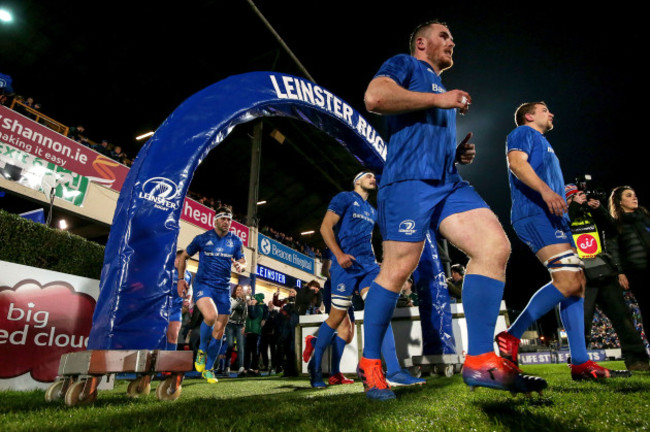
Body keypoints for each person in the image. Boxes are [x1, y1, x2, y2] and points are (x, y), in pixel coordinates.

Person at [361, 19, 543, 399]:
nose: (452, 41)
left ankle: (479, 359)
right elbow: (375, 99)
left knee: (494, 247)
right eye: (443, 35)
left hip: (447, 182)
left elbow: (423, 133)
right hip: (408, 182)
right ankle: (371, 365)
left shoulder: (440, 87)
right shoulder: (405, 65)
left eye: (452, 36)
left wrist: (455, 154)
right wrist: (438, 100)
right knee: (397, 269)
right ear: (422, 43)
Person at [496, 102, 628, 381]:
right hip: (535, 215)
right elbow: (517, 164)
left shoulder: (543, 144)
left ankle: (580, 362)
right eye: (545, 110)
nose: (551, 113)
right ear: (529, 116)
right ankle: (512, 335)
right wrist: (545, 192)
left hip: (555, 219)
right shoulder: (522, 133)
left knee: (577, 285)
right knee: (567, 281)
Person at [565, 185, 650, 370]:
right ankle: (579, 363)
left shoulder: (592, 214)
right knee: (582, 321)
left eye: (581, 196)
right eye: (575, 197)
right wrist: (573, 207)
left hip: (604, 272)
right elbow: (564, 226)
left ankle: (638, 361)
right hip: (581, 276)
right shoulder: (563, 216)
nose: (581, 199)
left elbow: (613, 229)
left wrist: (599, 209)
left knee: (623, 318)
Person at [177, 205, 246, 384]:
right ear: (215, 220)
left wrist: (241, 266)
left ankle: (208, 369)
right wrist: (180, 279)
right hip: (204, 285)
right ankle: (201, 350)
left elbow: (242, 261)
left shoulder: (236, 241)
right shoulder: (202, 238)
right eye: (223, 219)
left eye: (229, 219)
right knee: (211, 315)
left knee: (220, 330)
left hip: (223, 288)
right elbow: (184, 256)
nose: (227, 222)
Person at [609, 186, 650, 340]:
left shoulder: (645, 217)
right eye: (629, 195)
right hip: (637, 272)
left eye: (635, 195)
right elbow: (614, 250)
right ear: (619, 202)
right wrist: (619, 272)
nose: (635, 198)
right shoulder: (616, 224)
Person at [168, 250, 193, 350]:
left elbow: (190, 290)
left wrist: (188, 299)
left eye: (185, 261)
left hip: (176, 309)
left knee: (173, 337)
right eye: (180, 260)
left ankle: (168, 363)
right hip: (162, 308)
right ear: (175, 261)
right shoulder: (167, 271)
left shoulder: (188, 275)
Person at [226, 284, 249, 377]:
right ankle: (227, 365)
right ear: (235, 291)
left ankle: (241, 367)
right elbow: (231, 308)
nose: (239, 291)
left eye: (240, 290)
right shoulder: (231, 299)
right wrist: (238, 300)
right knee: (230, 344)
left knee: (240, 346)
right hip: (230, 325)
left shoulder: (244, 302)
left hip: (239, 325)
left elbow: (245, 314)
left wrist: (244, 326)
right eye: (237, 290)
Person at [243, 293, 265, 377]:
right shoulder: (252, 307)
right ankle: (246, 369)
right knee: (247, 352)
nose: (252, 300)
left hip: (255, 333)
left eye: (253, 299)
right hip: (249, 332)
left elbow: (252, 316)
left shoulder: (259, 308)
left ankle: (255, 369)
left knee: (254, 351)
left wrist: (250, 306)